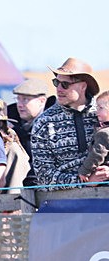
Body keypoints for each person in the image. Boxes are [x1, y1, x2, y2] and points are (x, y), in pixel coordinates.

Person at [32, 57, 108, 187]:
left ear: (83, 86)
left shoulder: (104, 113)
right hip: (63, 203)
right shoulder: (44, 123)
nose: (59, 89)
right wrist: (84, 182)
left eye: (65, 84)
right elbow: (43, 175)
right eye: (56, 82)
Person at [10, 78, 50, 172]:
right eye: (18, 99)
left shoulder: (55, 124)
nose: (19, 105)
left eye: (25, 99)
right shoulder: (9, 120)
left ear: (42, 101)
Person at [78, 90, 109, 185]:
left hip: (103, 177)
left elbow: (97, 154)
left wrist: (85, 171)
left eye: (100, 108)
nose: (96, 111)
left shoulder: (104, 133)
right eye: (97, 107)